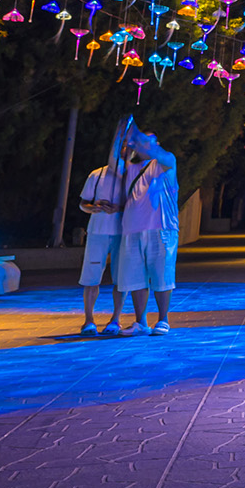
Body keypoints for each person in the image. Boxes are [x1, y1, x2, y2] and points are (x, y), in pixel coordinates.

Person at [113, 120, 181, 334]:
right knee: (135, 277)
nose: (143, 146)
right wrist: (121, 137)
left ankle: (163, 319)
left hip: (162, 228)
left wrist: (135, 133)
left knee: (162, 275)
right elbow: (114, 156)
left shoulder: (166, 161)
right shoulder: (130, 168)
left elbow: (156, 152)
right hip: (132, 230)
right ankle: (140, 322)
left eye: (149, 142)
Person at [75, 145, 126, 335]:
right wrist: (93, 207)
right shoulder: (97, 174)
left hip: (122, 232)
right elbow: (83, 203)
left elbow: (136, 205)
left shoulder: (131, 176)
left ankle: (116, 320)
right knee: (91, 278)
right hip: (97, 232)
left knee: (121, 279)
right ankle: (89, 320)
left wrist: (118, 208)